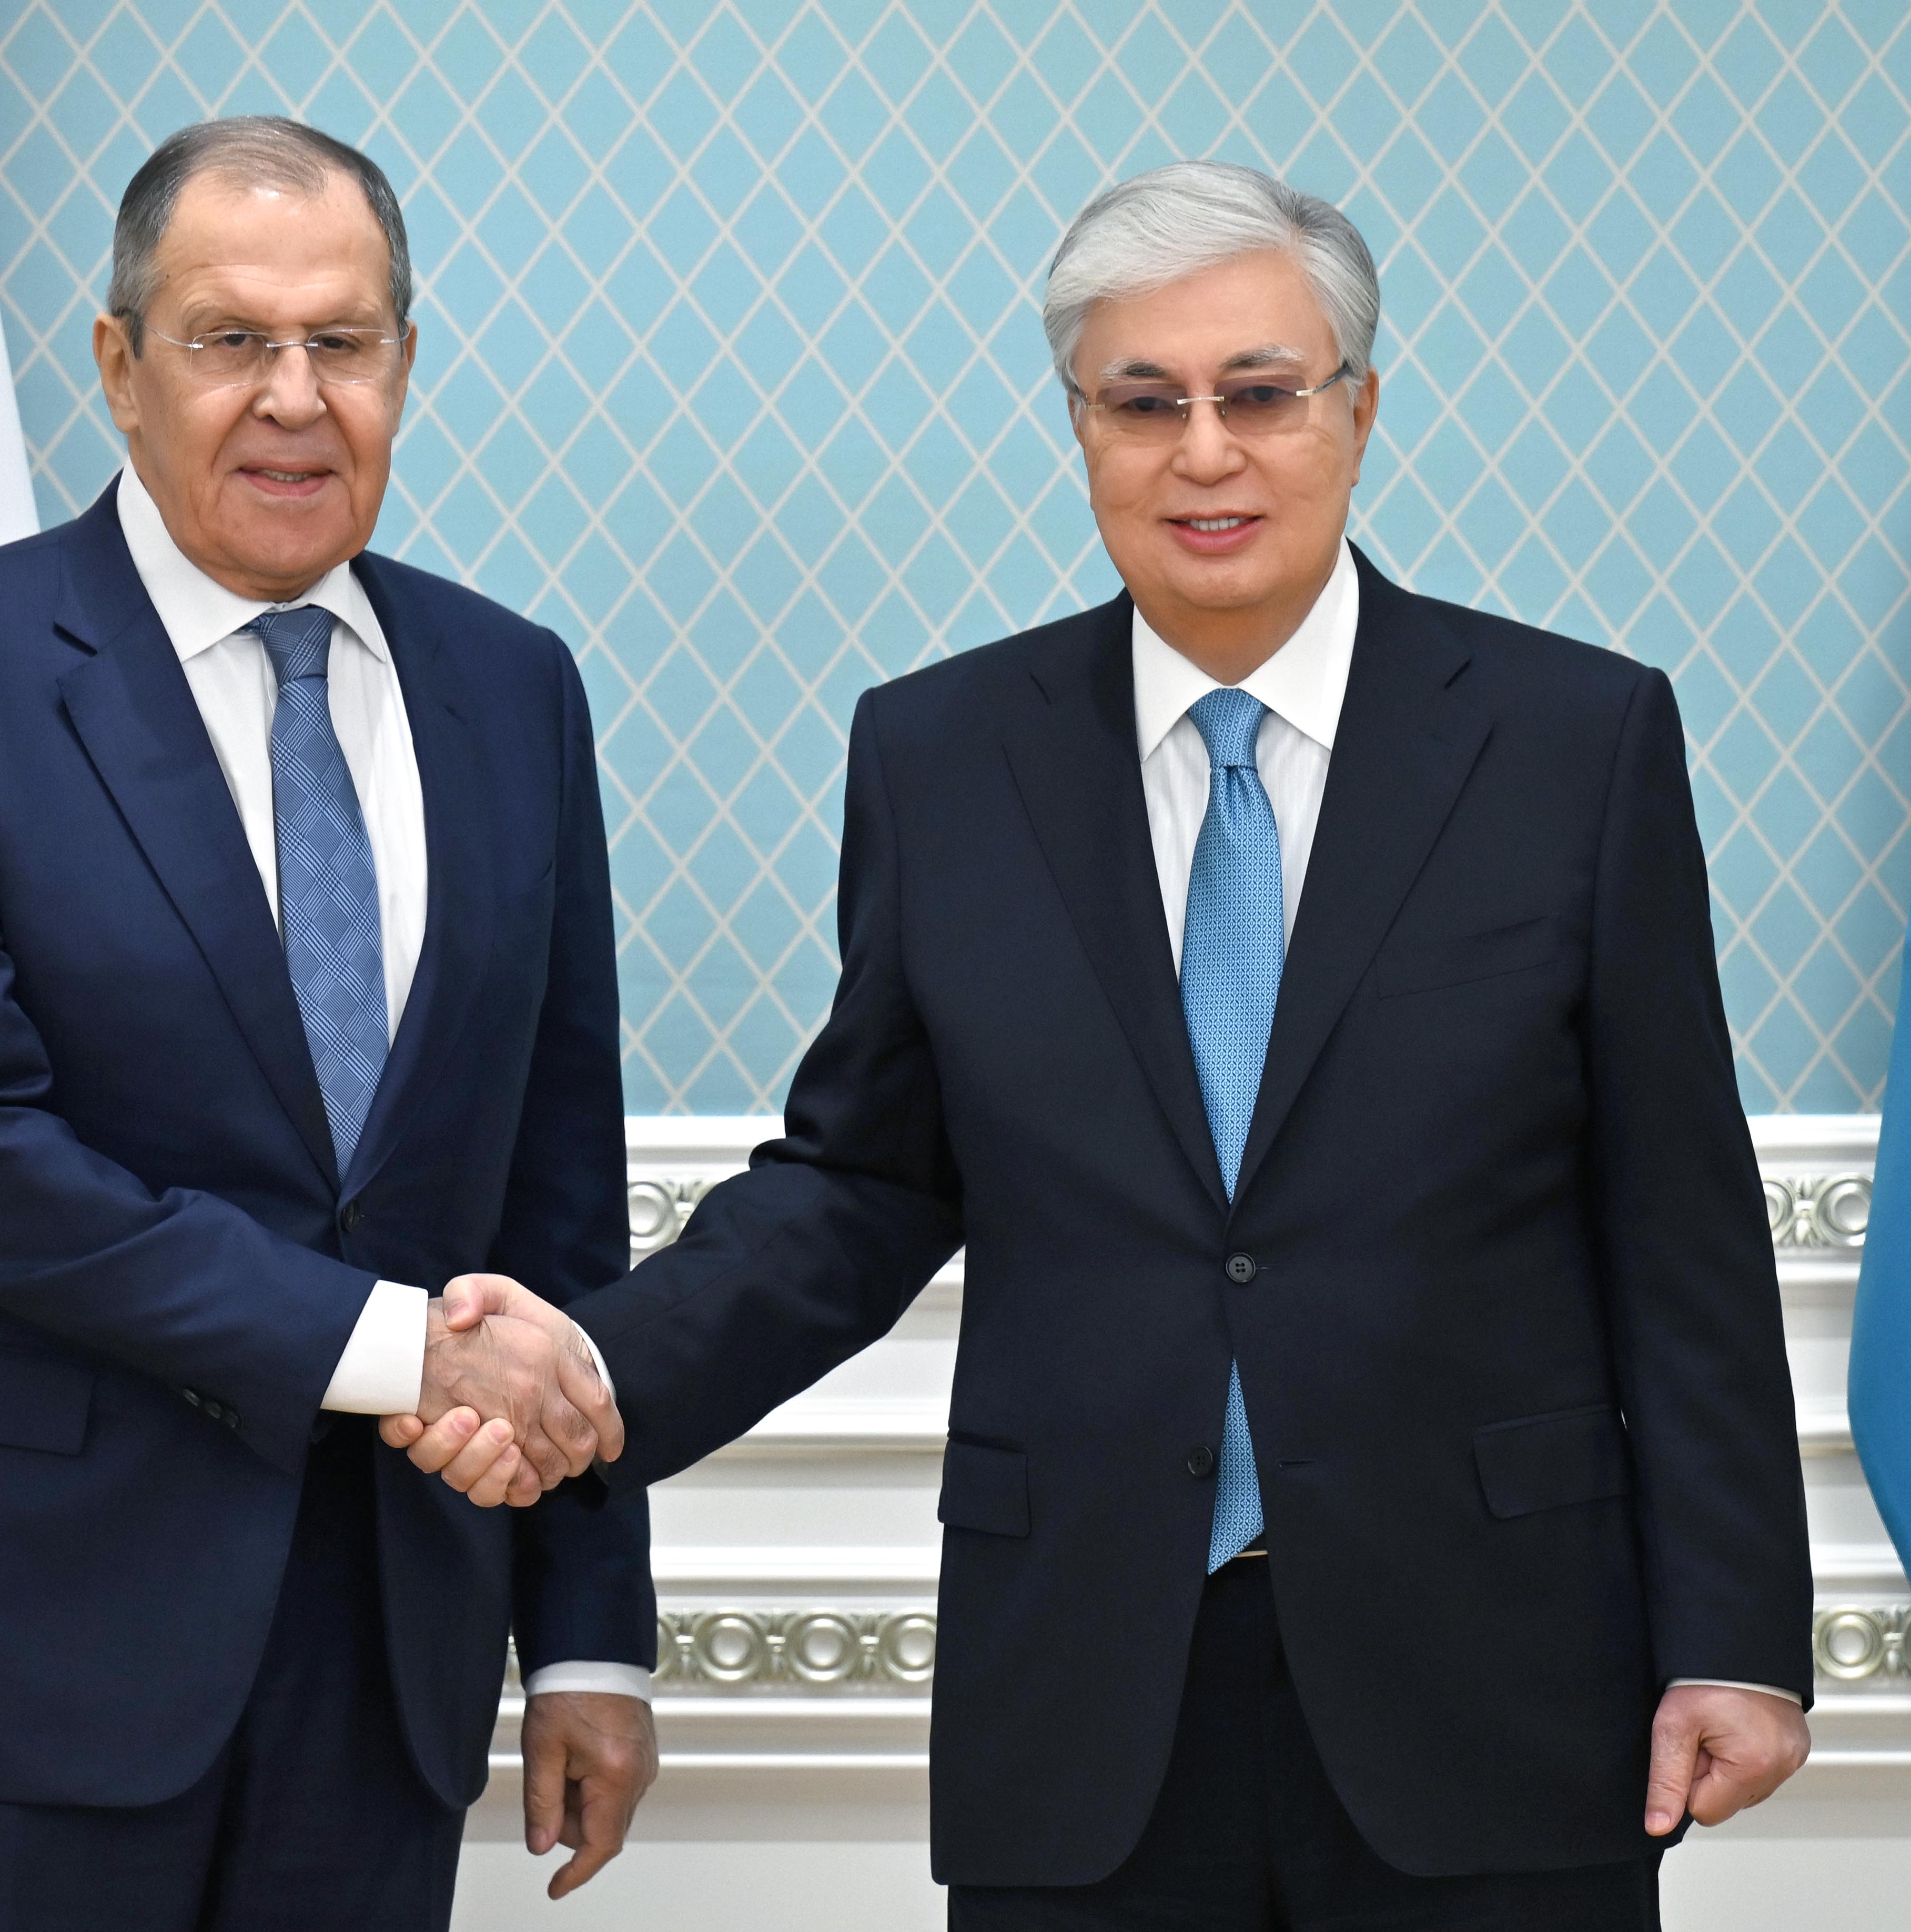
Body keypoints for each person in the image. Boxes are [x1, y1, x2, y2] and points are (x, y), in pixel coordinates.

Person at [396, 161, 1815, 1927]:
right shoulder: (942, 758)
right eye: (1144, 403)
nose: (1203, 452)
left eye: (1259, 393)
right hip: (1086, 1700)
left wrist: (1737, 1635)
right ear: (1081, 427)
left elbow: (1680, 1222)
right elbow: (857, 1188)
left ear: (1359, 410)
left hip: (1496, 1686)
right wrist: (599, 1366)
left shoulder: (1572, 743)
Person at [0, 116, 653, 1930]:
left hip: (386, 1638)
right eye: (232, 338)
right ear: (120, 365)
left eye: (343, 341)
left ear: (404, 362)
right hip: (18, 1634)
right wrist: (391, 1347)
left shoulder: (512, 688)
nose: (294, 397)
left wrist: (588, 1635)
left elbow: (557, 1193)